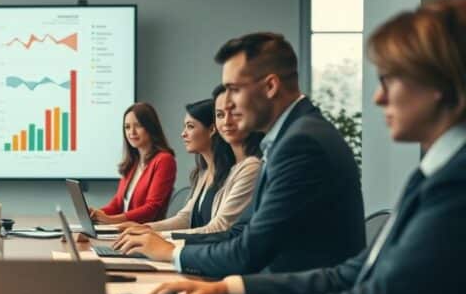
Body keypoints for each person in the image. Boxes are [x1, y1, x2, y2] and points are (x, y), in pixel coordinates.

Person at [145, 0, 466, 294]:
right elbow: (353, 273)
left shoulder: (453, 183)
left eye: (391, 79)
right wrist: (228, 291)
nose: (378, 96)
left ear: (442, 86)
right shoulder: (436, 170)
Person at [116, 33, 364, 275]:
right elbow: (240, 234)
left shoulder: (300, 143)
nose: (228, 105)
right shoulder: (289, 136)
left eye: (234, 89)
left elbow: (249, 252)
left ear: (270, 86)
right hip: (280, 291)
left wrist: (171, 252)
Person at [121, 89, 262, 236]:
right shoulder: (204, 173)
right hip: (195, 249)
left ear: (212, 129)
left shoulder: (243, 169)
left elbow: (220, 227)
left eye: (190, 126)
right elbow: (185, 218)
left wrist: (156, 236)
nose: (183, 134)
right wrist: (146, 229)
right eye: (220, 115)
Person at [89, 102, 176, 225]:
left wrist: (111, 220)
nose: (132, 132)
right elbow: (118, 205)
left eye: (138, 126)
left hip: (145, 234)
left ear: (150, 127)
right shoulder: (133, 162)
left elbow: (151, 209)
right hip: (125, 232)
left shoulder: (164, 160)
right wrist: (96, 213)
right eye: (127, 127)